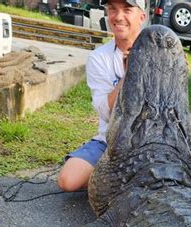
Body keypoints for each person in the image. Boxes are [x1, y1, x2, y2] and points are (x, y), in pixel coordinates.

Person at [57, 0, 147, 192]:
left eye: (127, 10)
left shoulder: (157, 54)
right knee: (68, 180)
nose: (118, 16)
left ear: (141, 17)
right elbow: (106, 113)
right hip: (110, 140)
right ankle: (119, 177)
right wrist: (128, 74)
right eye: (112, 9)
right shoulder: (99, 58)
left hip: (148, 141)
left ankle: (118, 179)